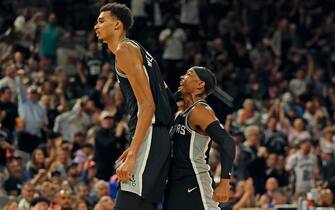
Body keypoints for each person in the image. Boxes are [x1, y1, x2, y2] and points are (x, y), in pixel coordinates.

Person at [94, 3, 173, 210]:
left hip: (152, 133)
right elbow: (164, 90)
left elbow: (147, 104)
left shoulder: (124, 49)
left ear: (118, 25)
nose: (96, 26)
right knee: (143, 206)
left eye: (102, 21)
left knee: (127, 203)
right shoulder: (138, 49)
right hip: (156, 135)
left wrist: (133, 154)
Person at [163, 66, 236, 210]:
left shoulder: (200, 111)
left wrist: (224, 183)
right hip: (175, 184)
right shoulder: (180, 113)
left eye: (188, 74)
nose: (182, 77)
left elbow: (227, 142)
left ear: (200, 85)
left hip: (194, 181)